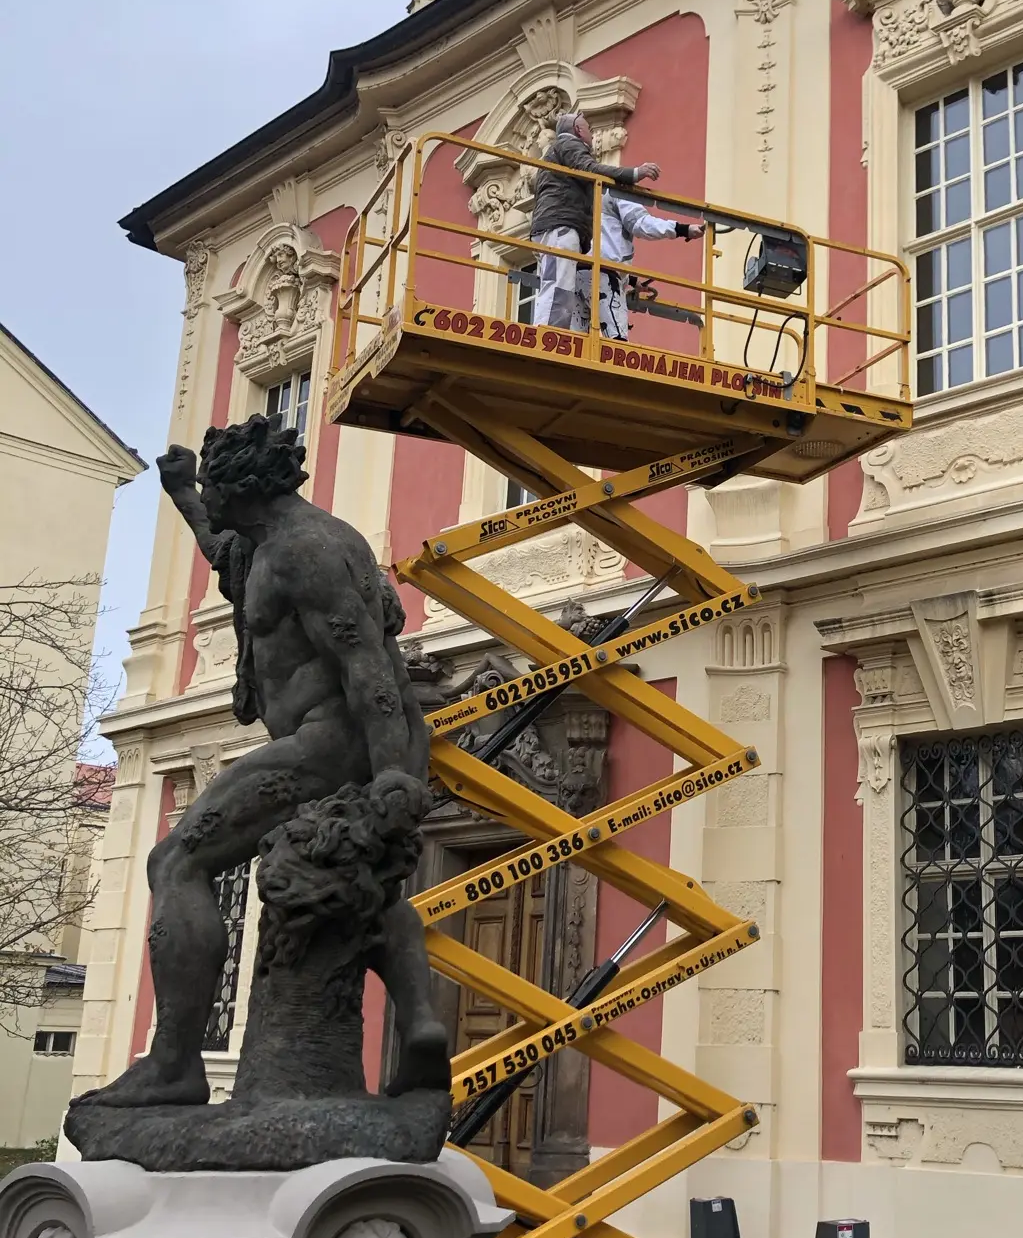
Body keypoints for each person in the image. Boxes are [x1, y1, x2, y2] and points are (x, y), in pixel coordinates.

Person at [74, 414, 449, 1110]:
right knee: (368, 880)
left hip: (333, 741)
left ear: (243, 487)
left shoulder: (305, 551)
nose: (208, 499)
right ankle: (421, 1021)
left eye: (212, 487)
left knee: (175, 862)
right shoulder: (269, 542)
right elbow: (222, 550)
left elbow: (365, 665)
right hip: (359, 740)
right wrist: (181, 493)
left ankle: (174, 1062)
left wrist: (393, 775)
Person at [529, 111, 659, 329]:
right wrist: (634, 173)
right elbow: (590, 169)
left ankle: (546, 329)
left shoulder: (554, 153)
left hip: (550, 226)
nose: (591, 133)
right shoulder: (569, 144)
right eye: (588, 128)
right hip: (561, 226)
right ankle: (549, 333)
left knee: (554, 281)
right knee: (560, 284)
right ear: (578, 130)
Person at [594, 187, 700, 338]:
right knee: (616, 342)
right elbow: (641, 224)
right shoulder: (616, 190)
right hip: (605, 274)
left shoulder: (584, 188)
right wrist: (683, 229)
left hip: (576, 269)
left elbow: (601, 244)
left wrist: (632, 280)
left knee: (575, 341)